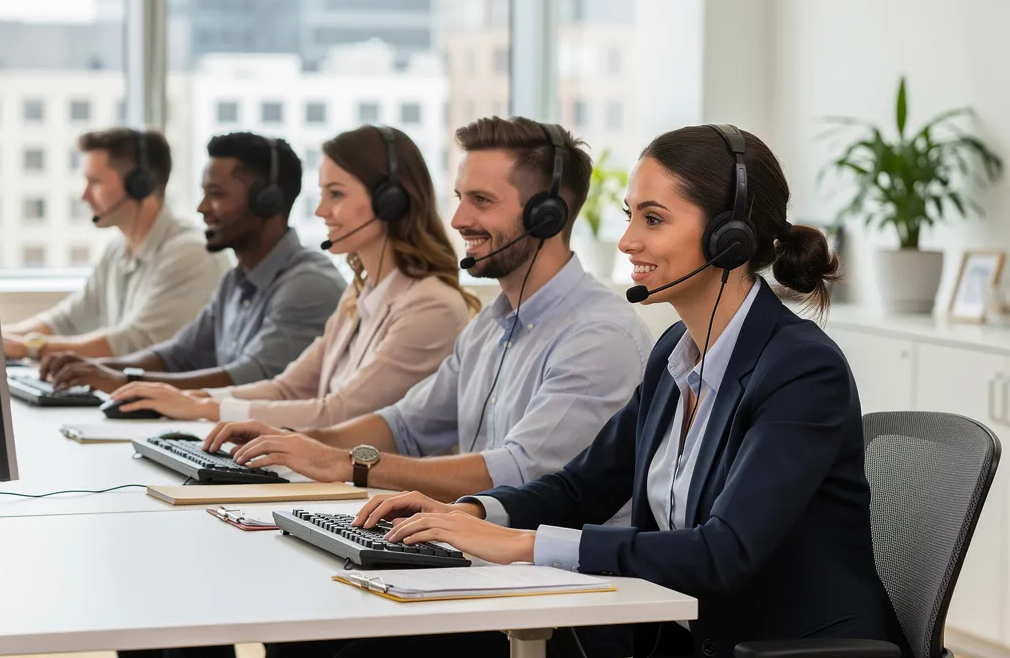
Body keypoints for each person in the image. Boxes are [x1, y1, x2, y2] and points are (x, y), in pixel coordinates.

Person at [345, 125, 907, 658]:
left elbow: (724, 553)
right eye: (629, 215)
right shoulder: (673, 355)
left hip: (777, 649)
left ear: (729, 238)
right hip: (672, 634)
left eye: (654, 219)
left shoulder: (801, 370)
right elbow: (579, 488)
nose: (628, 240)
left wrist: (525, 545)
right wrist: (469, 513)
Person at [203, 116, 651, 505]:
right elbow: (403, 425)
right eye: (459, 197)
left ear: (546, 216)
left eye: (482, 201)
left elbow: (518, 469)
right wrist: (290, 441)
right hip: (484, 548)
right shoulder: (490, 327)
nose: (457, 220)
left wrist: (345, 464)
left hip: (563, 578)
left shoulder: (597, 336)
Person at [101, 125, 478, 425]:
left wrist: (206, 409)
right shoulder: (360, 297)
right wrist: (194, 400)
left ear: (389, 201)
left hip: (388, 500)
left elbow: (338, 412)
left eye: (336, 195)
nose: (321, 211)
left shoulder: (430, 305)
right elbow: (289, 388)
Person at [40, 132, 346, 393]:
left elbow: (248, 378)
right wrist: (95, 368)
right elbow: (177, 355)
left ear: (268, 202)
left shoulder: (307, 284)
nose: (201, 208)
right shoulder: (235, 282)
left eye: (216, 195)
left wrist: (122, 381)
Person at [1, 128, 228, 361]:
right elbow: (66, 321)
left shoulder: (191, 253)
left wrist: (30, 348)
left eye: (95, 182)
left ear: (140, 185)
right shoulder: (118, 250)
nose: (84, 196)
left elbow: (134, 342)